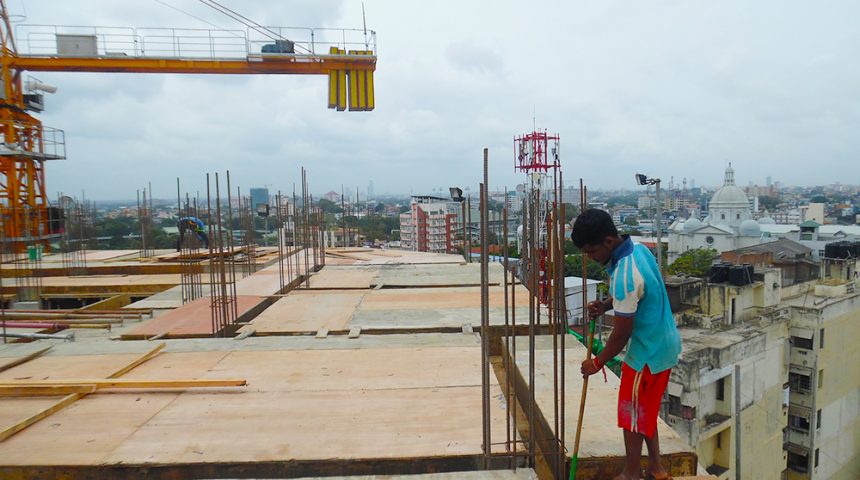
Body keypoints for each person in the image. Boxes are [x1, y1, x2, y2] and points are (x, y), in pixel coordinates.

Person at [572, 208, 681, 480]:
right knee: (645, 409)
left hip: (646, 353)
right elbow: (639, 293)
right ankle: (656, 469)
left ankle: (631, 474)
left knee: (632, 415)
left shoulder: (624, 275)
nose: (591, 258)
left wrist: (597, 363)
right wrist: (608, 304)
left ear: (608, 241)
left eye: (591, 252)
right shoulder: (639, 251)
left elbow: (621, 334)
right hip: (664, 344)